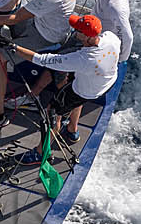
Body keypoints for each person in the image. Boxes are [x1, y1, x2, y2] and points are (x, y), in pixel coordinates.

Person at [12, 14, 121, 154]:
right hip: (107, 83)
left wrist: (14, 47)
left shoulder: (83, 59)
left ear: (87, 37)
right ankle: (72, 130)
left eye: (78, 31)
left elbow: (43, 60)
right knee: (77, 97)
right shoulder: (111, 38)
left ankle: (40, 153)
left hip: (84, 90)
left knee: (52, 113)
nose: (75, 32)